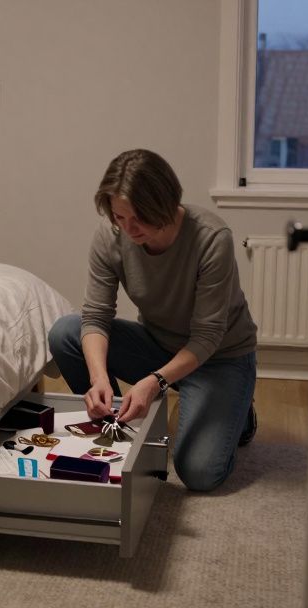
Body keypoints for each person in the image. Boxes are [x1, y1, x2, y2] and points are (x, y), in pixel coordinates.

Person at [49, 149, 258, 492]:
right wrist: (98, 378)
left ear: (164, 204)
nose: (128, 229)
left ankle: (240, 414)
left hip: (220, 359)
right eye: (119, 217)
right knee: (65, 333)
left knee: (199, 472)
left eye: (139, 219)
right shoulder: (111, 235)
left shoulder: (211, 239)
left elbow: (207, 336)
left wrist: (154, 382)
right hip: (159, 345)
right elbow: (97, 316)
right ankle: (116, 426)